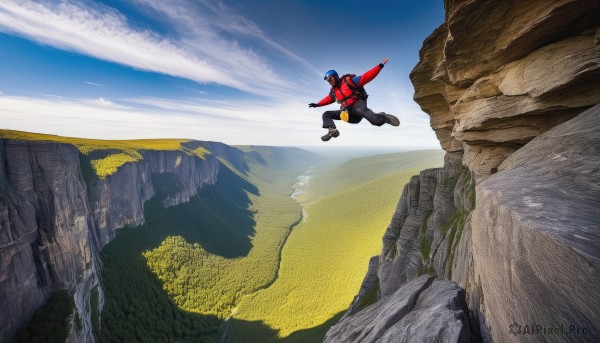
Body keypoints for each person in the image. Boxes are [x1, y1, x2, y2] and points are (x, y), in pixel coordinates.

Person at [308, 58, 400, 141]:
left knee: (376, 121)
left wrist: (380, 66)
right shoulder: (333, 91)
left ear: (335, 76)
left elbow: (366, 77)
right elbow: (328, 99)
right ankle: (332, 130)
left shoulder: (349, 81)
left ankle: (384, 117)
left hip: (358, 106)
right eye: (327, 80)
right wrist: (317, 104)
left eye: (330, 78)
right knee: (326, 114)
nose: (329, 81)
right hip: (350, 114)